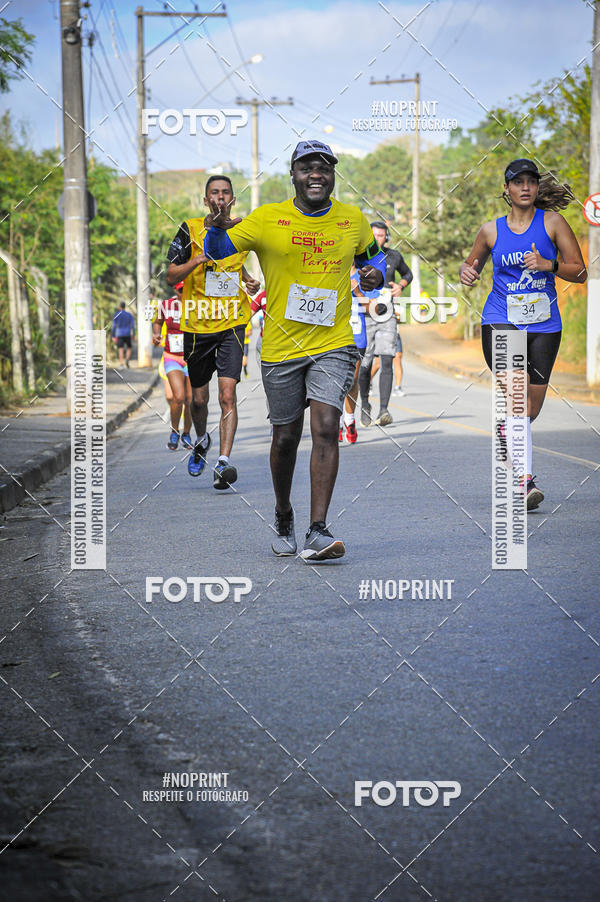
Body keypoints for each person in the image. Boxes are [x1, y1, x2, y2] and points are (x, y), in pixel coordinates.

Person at [203, 139, 386, 560]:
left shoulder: (352, 218)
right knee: (285, 436)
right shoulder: (268, 219)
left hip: (334, 343)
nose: (316, 174)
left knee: (325, 427)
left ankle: (317, 529)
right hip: (282, 346)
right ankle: (284, 513)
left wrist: (374, 273)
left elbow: (372, 259)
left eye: (324, 167)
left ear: (333, 174)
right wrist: (216, 226)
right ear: (294, 176)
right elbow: (217, 253)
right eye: (307, 167)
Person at [460, 158, 587, 509]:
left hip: (545, 325)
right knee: (517, 398)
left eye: (531, 181)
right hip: (501, 319)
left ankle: (509, 433)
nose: (526, 187)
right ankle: (524, 481)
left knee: (530, 409)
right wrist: (466, 273)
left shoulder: (553, 223)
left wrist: (551, 265)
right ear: (507, 189)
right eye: (519, 182)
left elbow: (581, 273)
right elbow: (470, 267)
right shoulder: (490, 231)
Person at [166, 175, 260, 490]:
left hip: (233, 323)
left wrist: (247, 279)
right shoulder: (189, 228)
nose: (220, 197)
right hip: (197, 325)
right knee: (200, 399)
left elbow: (232, 265)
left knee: (228, 395)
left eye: (225, 193)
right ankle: (202, 438)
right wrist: (195, 260)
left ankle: (223, 462)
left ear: (232, 198)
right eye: (214, 193)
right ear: (206, 199)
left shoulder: (243, 229)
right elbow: (169, 276)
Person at [370, 221, 412, 396]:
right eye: (374, 235)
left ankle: (385, 406)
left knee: (388, 358)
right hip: (363, 315)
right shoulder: (357, 255)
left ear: (386, 237)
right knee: (365, 362)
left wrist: (400, 286)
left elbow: (408, 274)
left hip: (386, 315)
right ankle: (364, 386)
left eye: (381, 235)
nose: (377, 239)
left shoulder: (393, 256)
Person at [152, 282, 193, 450]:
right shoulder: (166, 305)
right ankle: (175, 431)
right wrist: (156, 334)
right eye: (180, 290)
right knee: (178, 397)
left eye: (186, 289)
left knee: (190, 400)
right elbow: (158, 321)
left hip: (191, 359)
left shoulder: (198, 305)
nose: (183, 292)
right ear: (176, 290)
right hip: (172, 357)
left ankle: (187, 433)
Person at [339, 265, 368, 444]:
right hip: (335, 335)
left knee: (352, 380)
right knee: (334, 382)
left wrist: (356, 290)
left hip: (357, 335)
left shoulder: (365, 274)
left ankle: (349, 420)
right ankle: (336, 423)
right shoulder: (331, 269)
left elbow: (373, 308)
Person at [111, 301, 136, 369]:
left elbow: (113, 326)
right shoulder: (129, 315)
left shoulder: (116, 314)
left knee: (120, 349)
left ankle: (121, 364)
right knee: (129, 348)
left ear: (119, 307)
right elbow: (133, 325)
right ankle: (127, 360)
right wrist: (133, 334)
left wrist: (113, 335)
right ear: (124, 307)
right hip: (127, 333)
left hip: (119, 334)